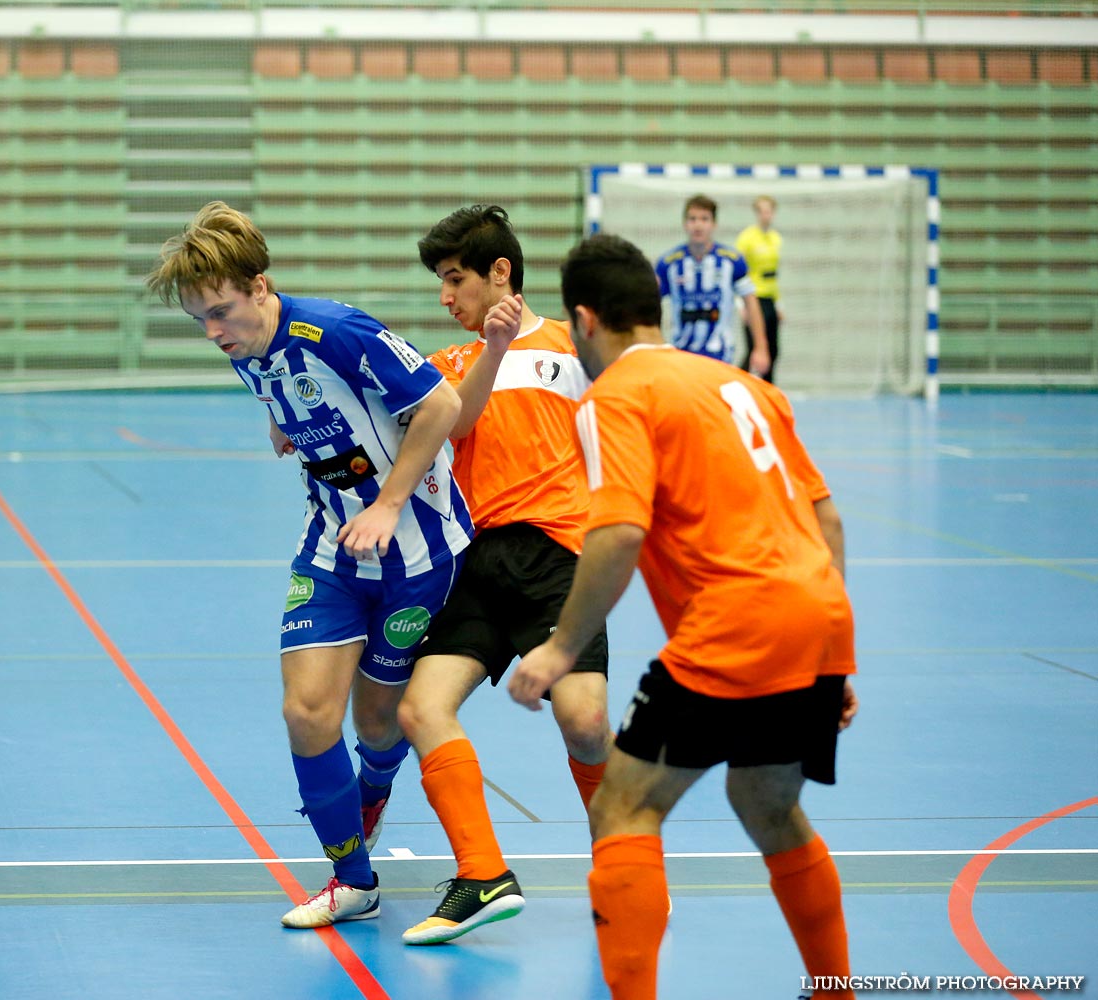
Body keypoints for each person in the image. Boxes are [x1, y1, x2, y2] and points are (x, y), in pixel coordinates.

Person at [508, 232, 860, 1000]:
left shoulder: (615, 397)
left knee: (625, 805)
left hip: (737, 622)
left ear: (584, 321)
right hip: (819, 616)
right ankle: (837, 990)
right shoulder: (745, 386)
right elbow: (826, 522)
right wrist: (833, 657)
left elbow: (620, 531)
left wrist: (560, 649)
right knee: (766, 805)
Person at [146, 201, 473, 929]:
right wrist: (282, 418)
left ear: (260, 286)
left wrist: (387, 505)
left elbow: (442, 405)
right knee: (306, 712)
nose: (213, 332)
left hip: (415, 551)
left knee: (379, 721)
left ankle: (376, 784)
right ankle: (353, 880)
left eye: (223, 312)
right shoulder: (246, 350)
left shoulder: (338, 332)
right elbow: (286, 388)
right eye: (201, 319)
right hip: (328, 546)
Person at [394, 205, 610, 946]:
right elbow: (454, 425)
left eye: (454, 279)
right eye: (440, 284)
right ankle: (482, 873)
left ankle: (624, 864)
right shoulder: (450, 363)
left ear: (501, 274)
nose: (444, 297)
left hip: (558, 561)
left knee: (584, 724)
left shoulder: (575, 351)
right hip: (473, 563)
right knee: (422, 710)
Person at [656, 194, 770, 379]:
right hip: (681, 352)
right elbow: (650, 305)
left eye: (704, 219)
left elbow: (751, 302)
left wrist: (760, 347)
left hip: (720, 353)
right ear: (685, 224)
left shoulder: (732, 261)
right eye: (692, 219)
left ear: (714, 224)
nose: (698, 225)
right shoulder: (668, 263)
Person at [736, 195, 783, 384]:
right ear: (757, 213)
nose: (766, 215)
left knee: (773, 350)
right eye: (762, 211)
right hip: (753, 300)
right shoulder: (747, 238)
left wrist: (779, 304)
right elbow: (739, 273)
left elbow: (773, 274)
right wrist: (740, 305)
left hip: (769, 299)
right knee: (754, 350)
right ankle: (737, 385)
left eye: (769, 211)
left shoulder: (775, 239)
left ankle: (768, 390)